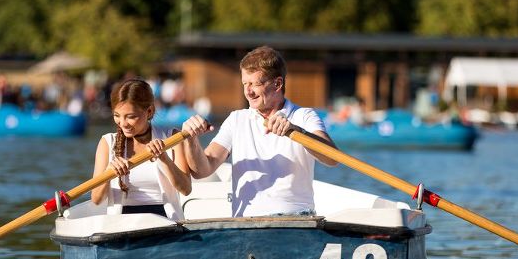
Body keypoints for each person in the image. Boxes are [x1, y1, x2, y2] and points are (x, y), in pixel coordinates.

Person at [182, 46, 338, 217]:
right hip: (246, 223)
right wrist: (191, 140)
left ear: (277, 84)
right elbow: (202, 170)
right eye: (245, 84)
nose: (248, 92)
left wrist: (297, 132)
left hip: (296, 219)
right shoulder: (237, 119)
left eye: (255, 84)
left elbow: (331, 158)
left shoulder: (303, 116)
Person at [91, 78, 191, 220]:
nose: (123, 124)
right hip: (121, 225)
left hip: (166, 223)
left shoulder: (172, 138)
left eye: (130, 117)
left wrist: (164, 158)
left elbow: (186, 189)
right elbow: (96, 199)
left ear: (149, 111)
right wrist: (109, 173)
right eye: (117, 116)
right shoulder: (107, 142)